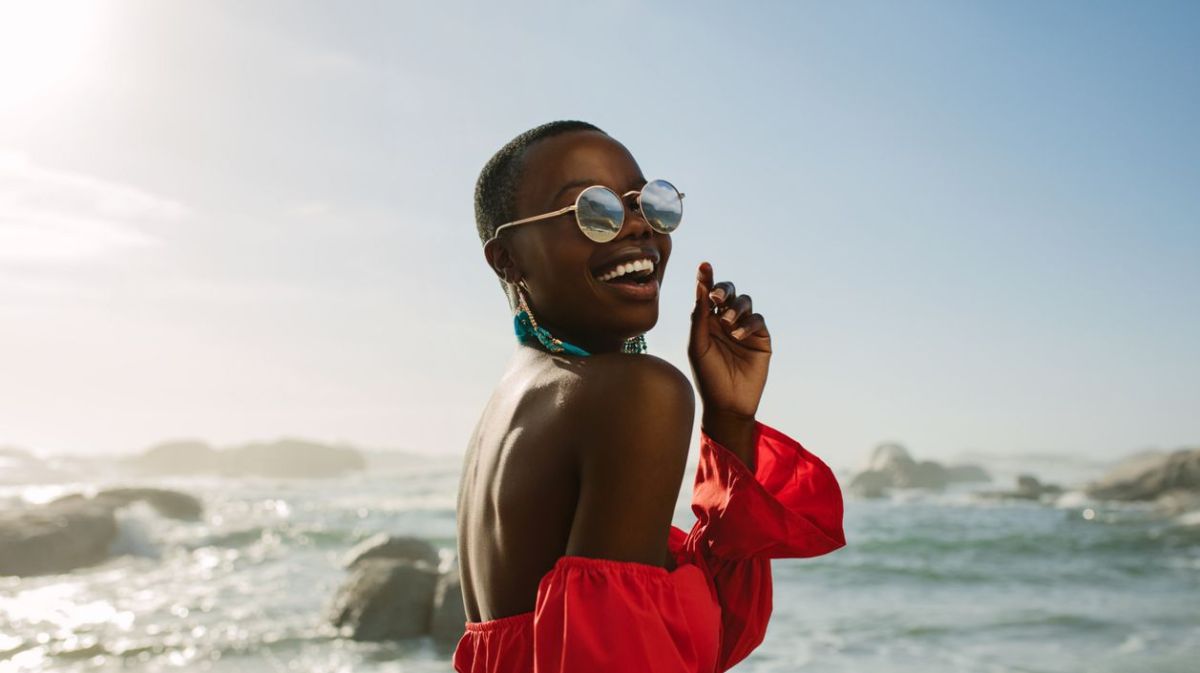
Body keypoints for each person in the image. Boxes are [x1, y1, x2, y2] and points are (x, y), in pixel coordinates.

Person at [453, 120, 846, 673]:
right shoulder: (634, 393)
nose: (638, 226)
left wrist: (730, 421)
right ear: (508, 259)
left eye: (649, 204)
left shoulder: (510, 405)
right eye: (594, 212)